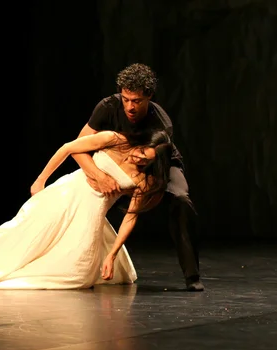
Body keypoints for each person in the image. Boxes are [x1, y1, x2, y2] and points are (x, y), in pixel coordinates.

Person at [0, 129, 173, 289]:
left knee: (79, 275)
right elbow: (68, 148)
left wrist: (112, 254)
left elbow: (130, 218)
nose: (139, 158)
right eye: (141, 151)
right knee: (18, 235)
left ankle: (11, 273)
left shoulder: (143, 180)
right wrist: (40, 180)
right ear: (140, 142)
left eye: (147, 159)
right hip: (64, 195)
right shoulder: (114, 140)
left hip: (90, 215)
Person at [71, 63, 204, 291]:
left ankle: (192, 276)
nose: (130, 107)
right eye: (126, 100)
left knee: (180, 199)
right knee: (81, 196)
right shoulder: (108, 107)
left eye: (137, 101)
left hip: (158, 163)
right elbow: (77, 146)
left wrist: (138, 185)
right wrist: (97, 175)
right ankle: (80, 268)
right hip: (121, 163)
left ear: (149, 97)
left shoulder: (160, 123)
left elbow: (152, 167)